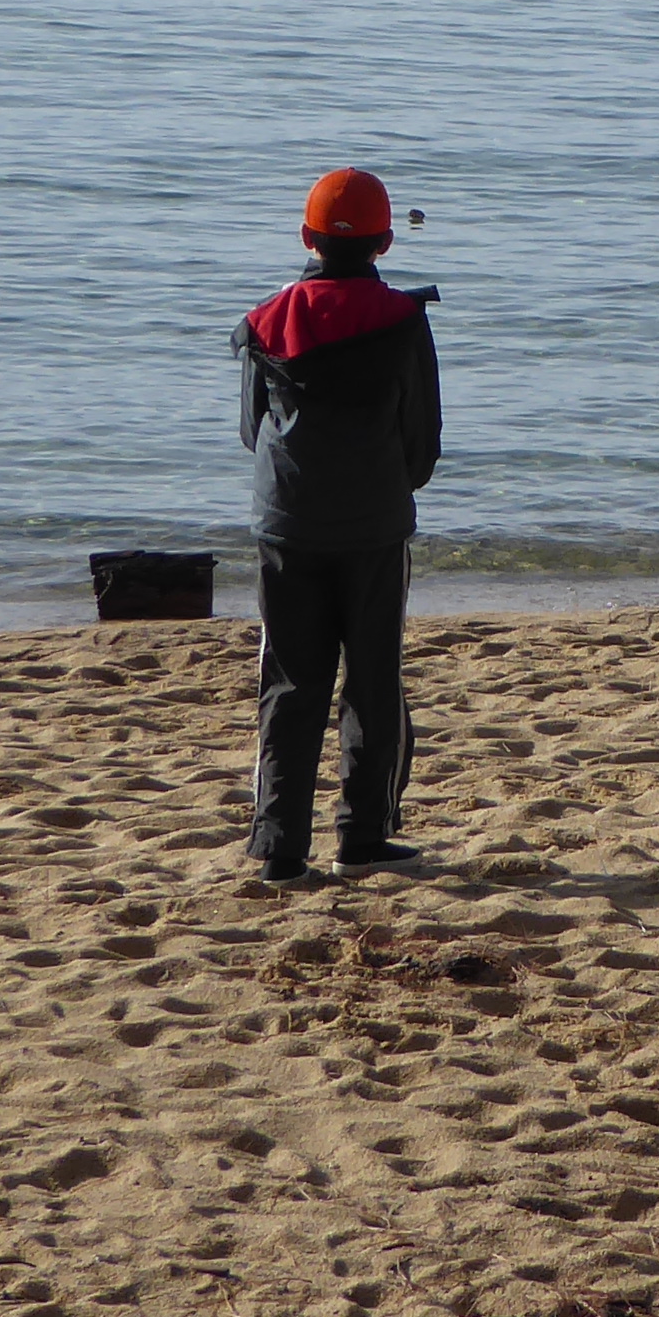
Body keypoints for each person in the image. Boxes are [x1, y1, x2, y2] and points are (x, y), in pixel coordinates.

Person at [234, 167, 442, 881]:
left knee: (289, 684)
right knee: (374, 681)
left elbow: (247, 429)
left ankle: (279, 848)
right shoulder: (404, 321)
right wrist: (387, 485)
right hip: (376, 527)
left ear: (305, 237)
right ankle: (364, 836)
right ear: (385, 242)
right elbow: (424, 443)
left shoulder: (266, 321)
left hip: (286, 527)